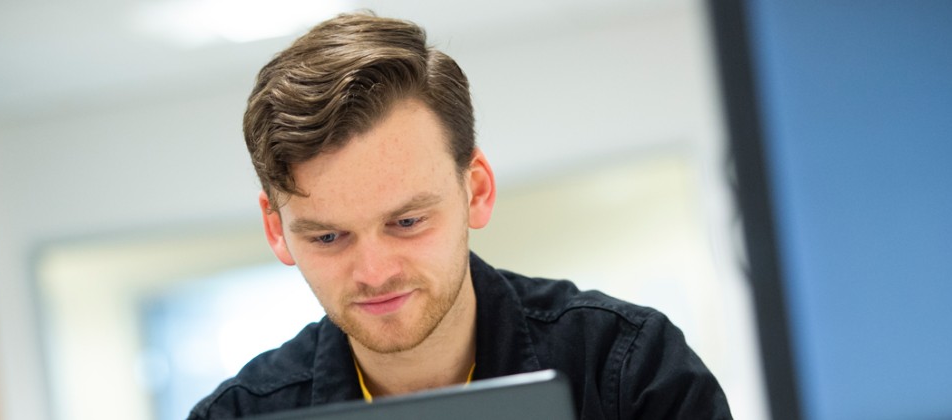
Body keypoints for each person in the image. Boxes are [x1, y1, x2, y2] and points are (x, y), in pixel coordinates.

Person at [187, 11, 732, 420]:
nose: (374, 272)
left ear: (476, 191)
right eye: (329, 237)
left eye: (406, 222)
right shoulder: (236, 416)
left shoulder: (627, 371)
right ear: (276, 230)